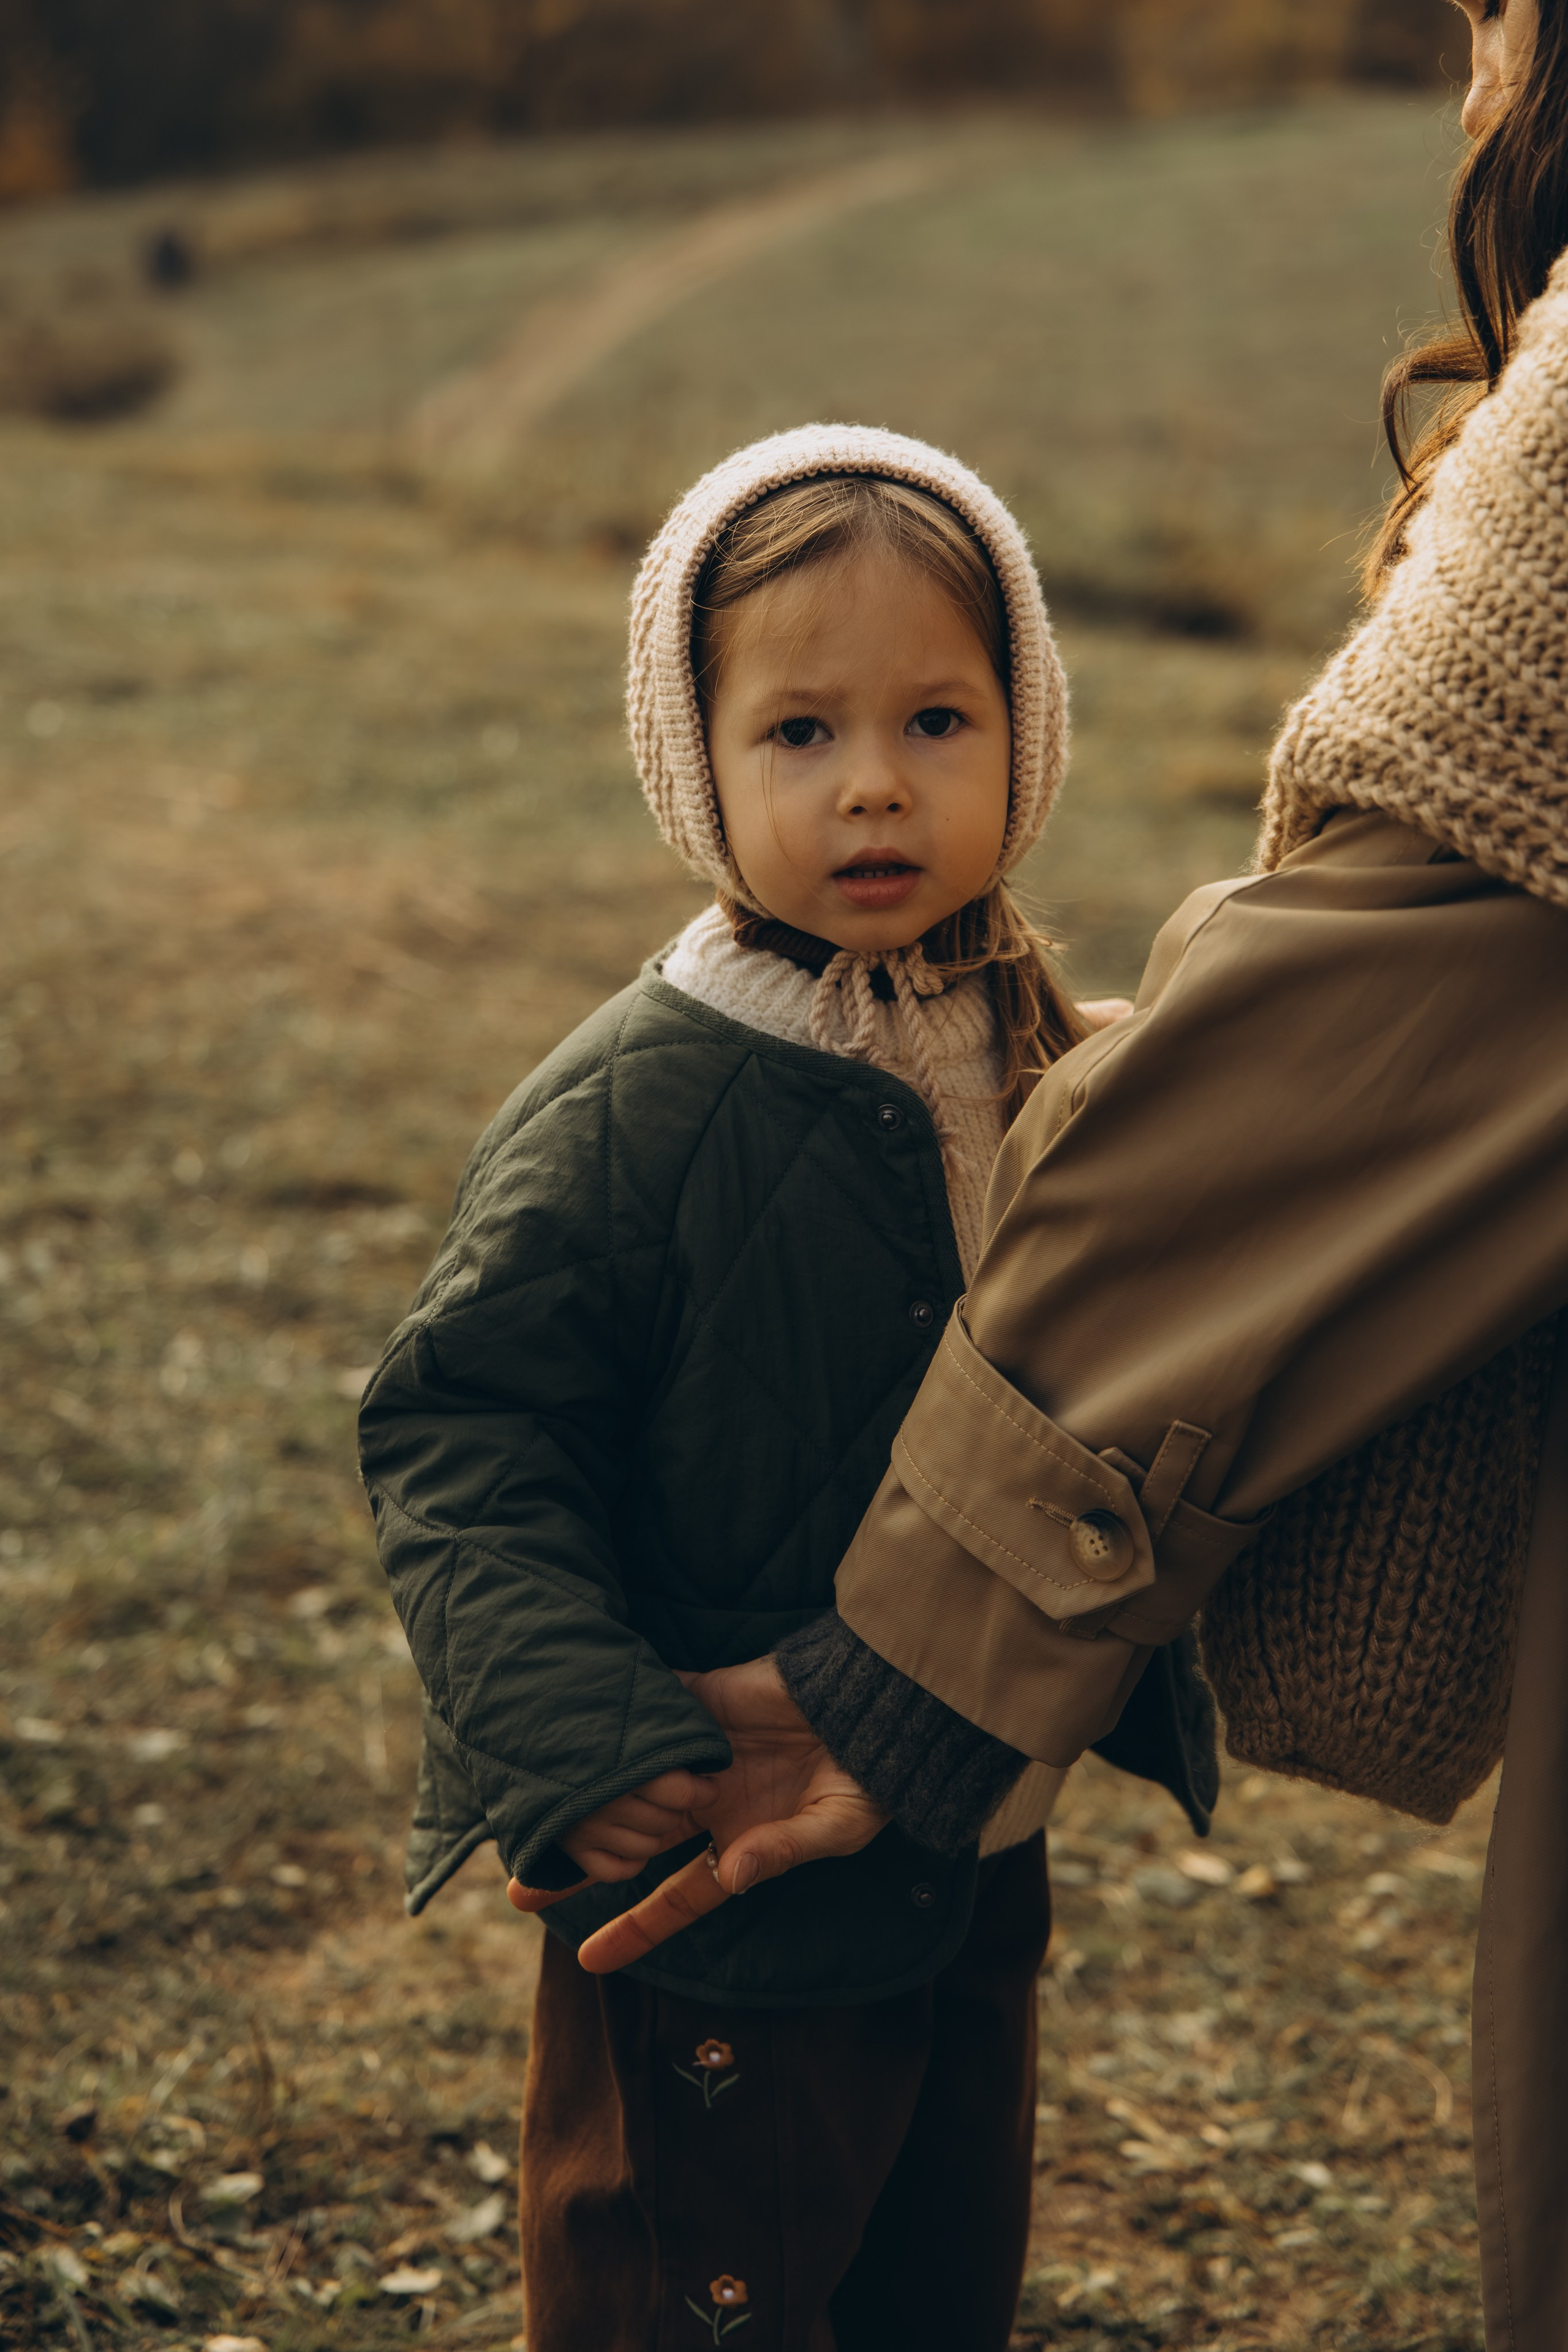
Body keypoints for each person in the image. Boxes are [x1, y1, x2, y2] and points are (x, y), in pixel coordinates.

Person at [589, 2, 1568, 2340]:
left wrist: (911, 1650)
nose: (1479, 68)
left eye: (1499, 15)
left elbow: (1370, 1029)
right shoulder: (652, 1108)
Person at [359, 424, 1208, 2352]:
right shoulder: (626, 1107)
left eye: (938, 718)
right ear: (696, 761)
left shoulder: (1044, 1057)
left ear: (1030, 735)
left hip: (970, 1812)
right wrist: (567, 1735)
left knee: (937, 2263)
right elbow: (460, 1429)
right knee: (696, 2284)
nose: (878, 786)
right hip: (706, 1831)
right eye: (800, 734)